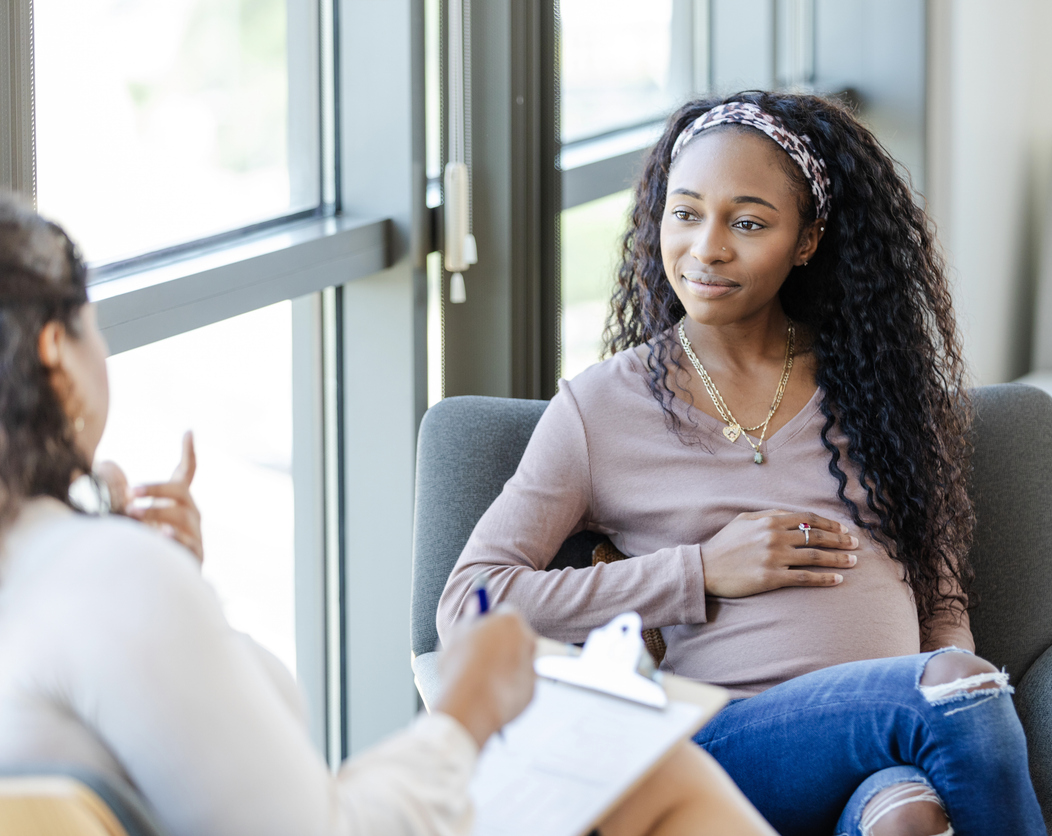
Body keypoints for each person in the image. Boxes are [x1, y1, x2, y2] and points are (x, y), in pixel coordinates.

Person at [0, 192, 775, 836]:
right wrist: (469, 711)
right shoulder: (106, 582)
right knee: (658, 778)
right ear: (53, 352)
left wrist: (180, 589)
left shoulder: (78, 573)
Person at [437, 91, 1050, 836]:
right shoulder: (600, 410)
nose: (708, 248)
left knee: (909, 819)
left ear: (807, 240)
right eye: (686, 213)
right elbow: (469, 603)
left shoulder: (882, 390)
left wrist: (937, 734)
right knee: (961, 689)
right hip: (723, 744)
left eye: (749, 222)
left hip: (884, 740)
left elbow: (941, 606)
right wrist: (697, 571)